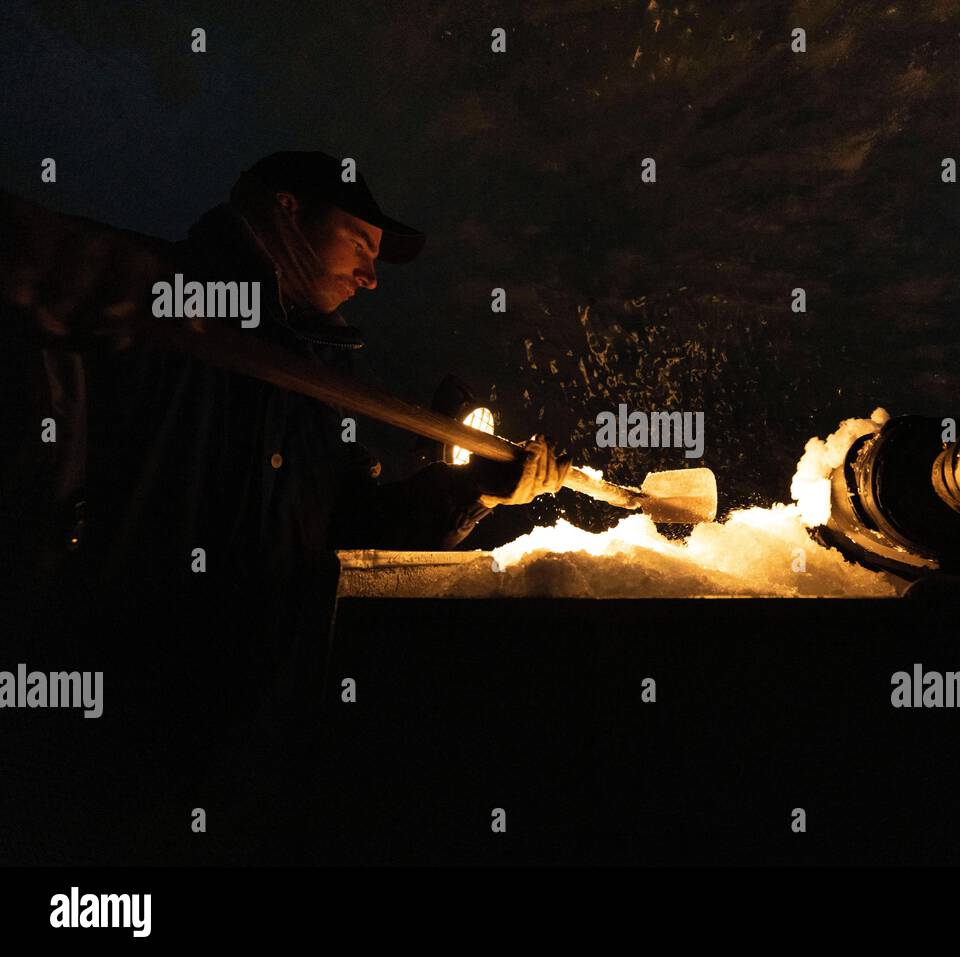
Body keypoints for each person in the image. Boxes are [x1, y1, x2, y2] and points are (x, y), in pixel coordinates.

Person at [0, 152, 569, 863]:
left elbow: (349, 526)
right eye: (360, 244)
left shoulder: (324, 373)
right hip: (111, 716)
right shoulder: (153, 302)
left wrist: (473, 489)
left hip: (250, 736)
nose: (369, 275)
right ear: (286, 209)